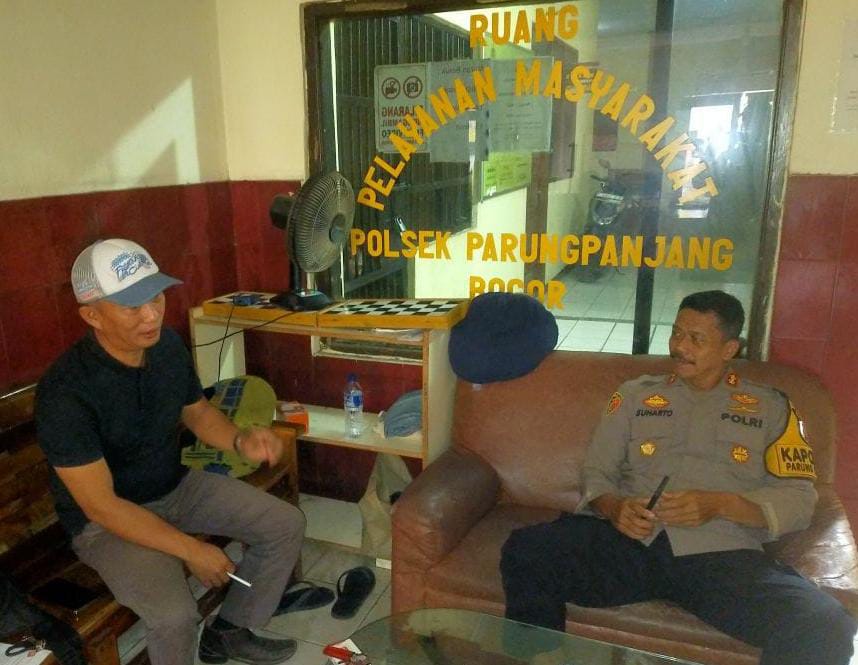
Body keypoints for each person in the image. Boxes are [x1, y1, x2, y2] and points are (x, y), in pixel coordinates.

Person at [500, 290, 857, 665]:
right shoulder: (635, 396)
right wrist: (615, 507)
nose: (679, 346)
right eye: (676, 333)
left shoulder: (772, 407)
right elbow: (597, 472)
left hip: (722, 556)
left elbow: (800, 499)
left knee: (825, 624)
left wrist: (721, 505)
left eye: (696, 339)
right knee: (528, 550)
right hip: (631, 543)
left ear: (729, 348)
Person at [35, 239, 306, 665]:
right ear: (92, 316)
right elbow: (102, 506)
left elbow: (197, 412)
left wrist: (239, 439)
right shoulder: (66, 393)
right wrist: (190, 549)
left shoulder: (165, 347)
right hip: (106, 524)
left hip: (174, 487)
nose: (152, 314)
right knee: (175, 616)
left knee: (284, 524)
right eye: (132, 306)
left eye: (156, 297)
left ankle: (229, 631)